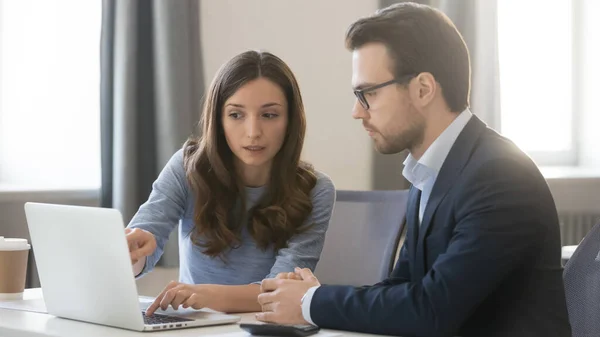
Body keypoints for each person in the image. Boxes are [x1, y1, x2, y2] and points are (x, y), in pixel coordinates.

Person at [256, 3, 571, 337]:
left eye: (368, 93)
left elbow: (431, 309)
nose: (357, 112)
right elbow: (402, 288)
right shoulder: (431, 171)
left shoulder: (501, 176)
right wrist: (314, 297)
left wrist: (311, 302)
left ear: (423, 89)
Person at [124, 50, 336, 315]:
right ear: (219, 120)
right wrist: (134, 254)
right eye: (236, 115)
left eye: (269, 115)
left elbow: (283, 294)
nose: (253, 132)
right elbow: (141, 245)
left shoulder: (316, 189)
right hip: (196, 328)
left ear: (291, 120)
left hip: (262, 327)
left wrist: (206, 294)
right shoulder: (187, 166)